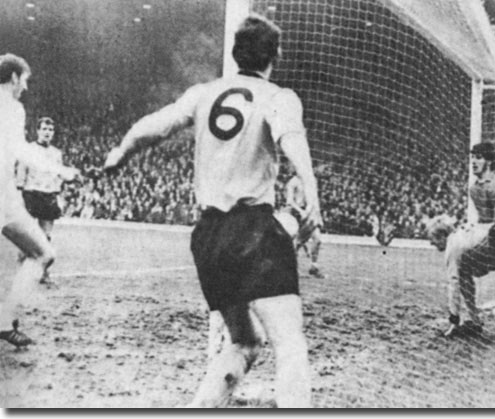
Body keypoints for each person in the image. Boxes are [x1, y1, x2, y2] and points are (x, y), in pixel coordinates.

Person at [104, 15, 320, 408]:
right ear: (276, 55)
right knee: (289, 344)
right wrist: (312, 188)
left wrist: (121, 151)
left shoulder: (203, 92)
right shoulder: (278, 97)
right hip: (254, 230)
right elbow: (291, 139)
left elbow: (155, 126)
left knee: (244, 342)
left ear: (235, 53)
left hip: (208, 237)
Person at [0, 54, 79, 348]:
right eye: (25, 81)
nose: (26, 87)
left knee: (42, 253)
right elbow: (23, 150)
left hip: (6, 194)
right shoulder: (12, 107)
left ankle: (4, 321)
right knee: (42, 254)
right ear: (14, 78)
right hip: (3, 194)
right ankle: (4, 320)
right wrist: (62, 171)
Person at [432, 142, 495, 337]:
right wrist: (472, 227)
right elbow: (483, 220)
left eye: (479, 157)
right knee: (463, 271)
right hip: (487, 239)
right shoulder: (474, 188)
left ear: (489, 162)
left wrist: (471, 232)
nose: (473, 161)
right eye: (472, 157)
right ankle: (474, 320)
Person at [15, 117, 64, 285]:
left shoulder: (57, 153)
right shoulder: (28, 149)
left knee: (46, 236)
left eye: (50, 130)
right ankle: (21, 269)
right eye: (44, 129)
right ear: (38, 131)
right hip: (31, 193)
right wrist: (20, 191)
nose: (47, 133)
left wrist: (57, 195)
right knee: (28, 235)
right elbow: (22, 171)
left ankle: (43, 272)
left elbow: (57, 175)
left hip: (49, 195)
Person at [286, 169, 324, 278]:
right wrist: (301, 211)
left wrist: (318, 214)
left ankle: (314, 267)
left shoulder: (311, 180)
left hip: (310, 213)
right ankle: (291, 269)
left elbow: (314, 198)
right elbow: (289, 201)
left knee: (318, 239)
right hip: (297, 213)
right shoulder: (292, 182)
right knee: (297, 243)